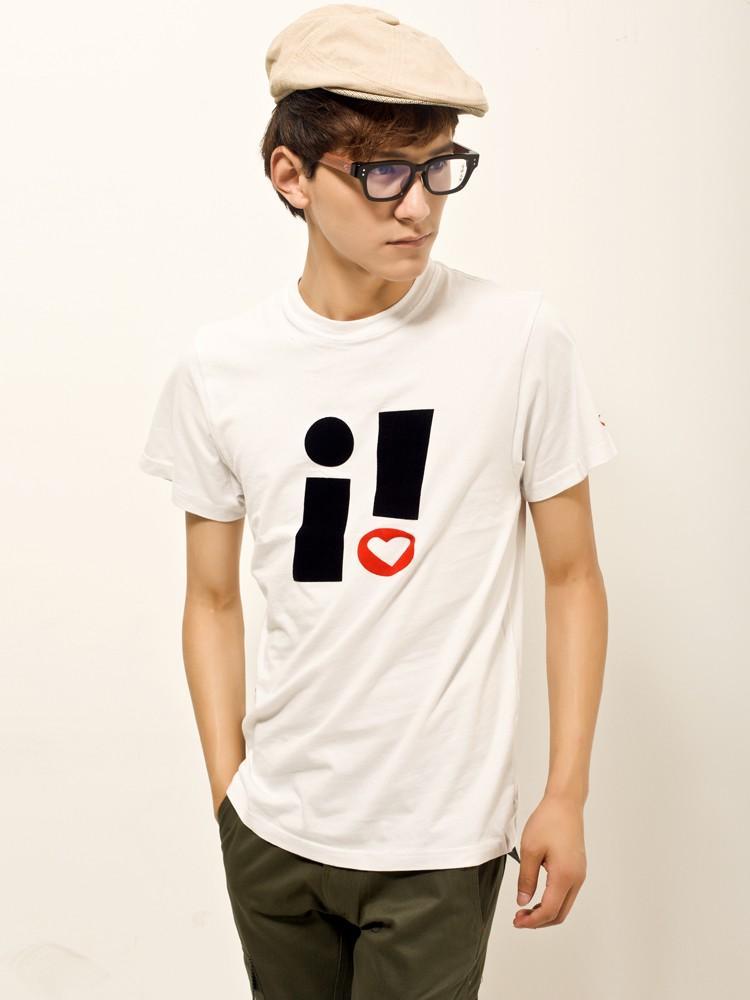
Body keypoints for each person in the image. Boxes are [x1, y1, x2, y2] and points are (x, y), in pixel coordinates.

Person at [138, 5, 619, 997]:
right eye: (384, 174)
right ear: (291, 176)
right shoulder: (222, 368)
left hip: (440, 842)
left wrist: (566, 792)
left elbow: (573, 575)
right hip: (276, 834)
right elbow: (211, 599)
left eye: (440, 168)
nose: (421, 207)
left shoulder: (519, 339)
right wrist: (231, 801)